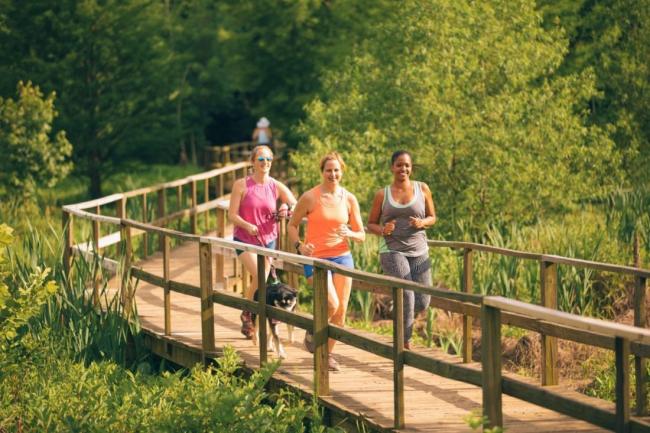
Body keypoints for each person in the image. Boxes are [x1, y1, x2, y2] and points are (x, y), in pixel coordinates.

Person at [288, 151, 365, 371]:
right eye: (328, 170)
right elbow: (292, 225)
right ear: (322, 172)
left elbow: (362, 234)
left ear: (342, 172)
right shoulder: (310, 197)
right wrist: (300, 246)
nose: (333, 174)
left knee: (340, 312)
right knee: (330, 304)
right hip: (316, 258)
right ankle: (313, 330)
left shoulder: (349, 199)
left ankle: (325, 356)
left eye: (336, 170)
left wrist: (350, 234)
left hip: (342, 256)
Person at [367, 150, 437, 350]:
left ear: (411, 168)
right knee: (407, 293)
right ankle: (404, 341)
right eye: (399, 165)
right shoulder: (383, 194)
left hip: (419, 250)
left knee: (423, 301)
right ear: (392, 167)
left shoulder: (422, 188)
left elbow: (433, 217)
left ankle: (401, 312)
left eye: (407, 165)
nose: (403, 169)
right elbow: (371, 223)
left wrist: (422, 222)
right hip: (392, 250)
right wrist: (383, 229)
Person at [229, 145, 297, 339]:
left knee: (261, 278)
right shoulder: (241, 185)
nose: (265, 163)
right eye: (261, 159)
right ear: (253, 162)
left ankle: (247, 312)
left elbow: (294, 202)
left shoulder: (275, 185)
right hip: (245, 239)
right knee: (261, 275)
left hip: (268, 240)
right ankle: (249, 312)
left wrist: (284, 206)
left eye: (268, 159)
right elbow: (231, 215)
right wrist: (247, 225)